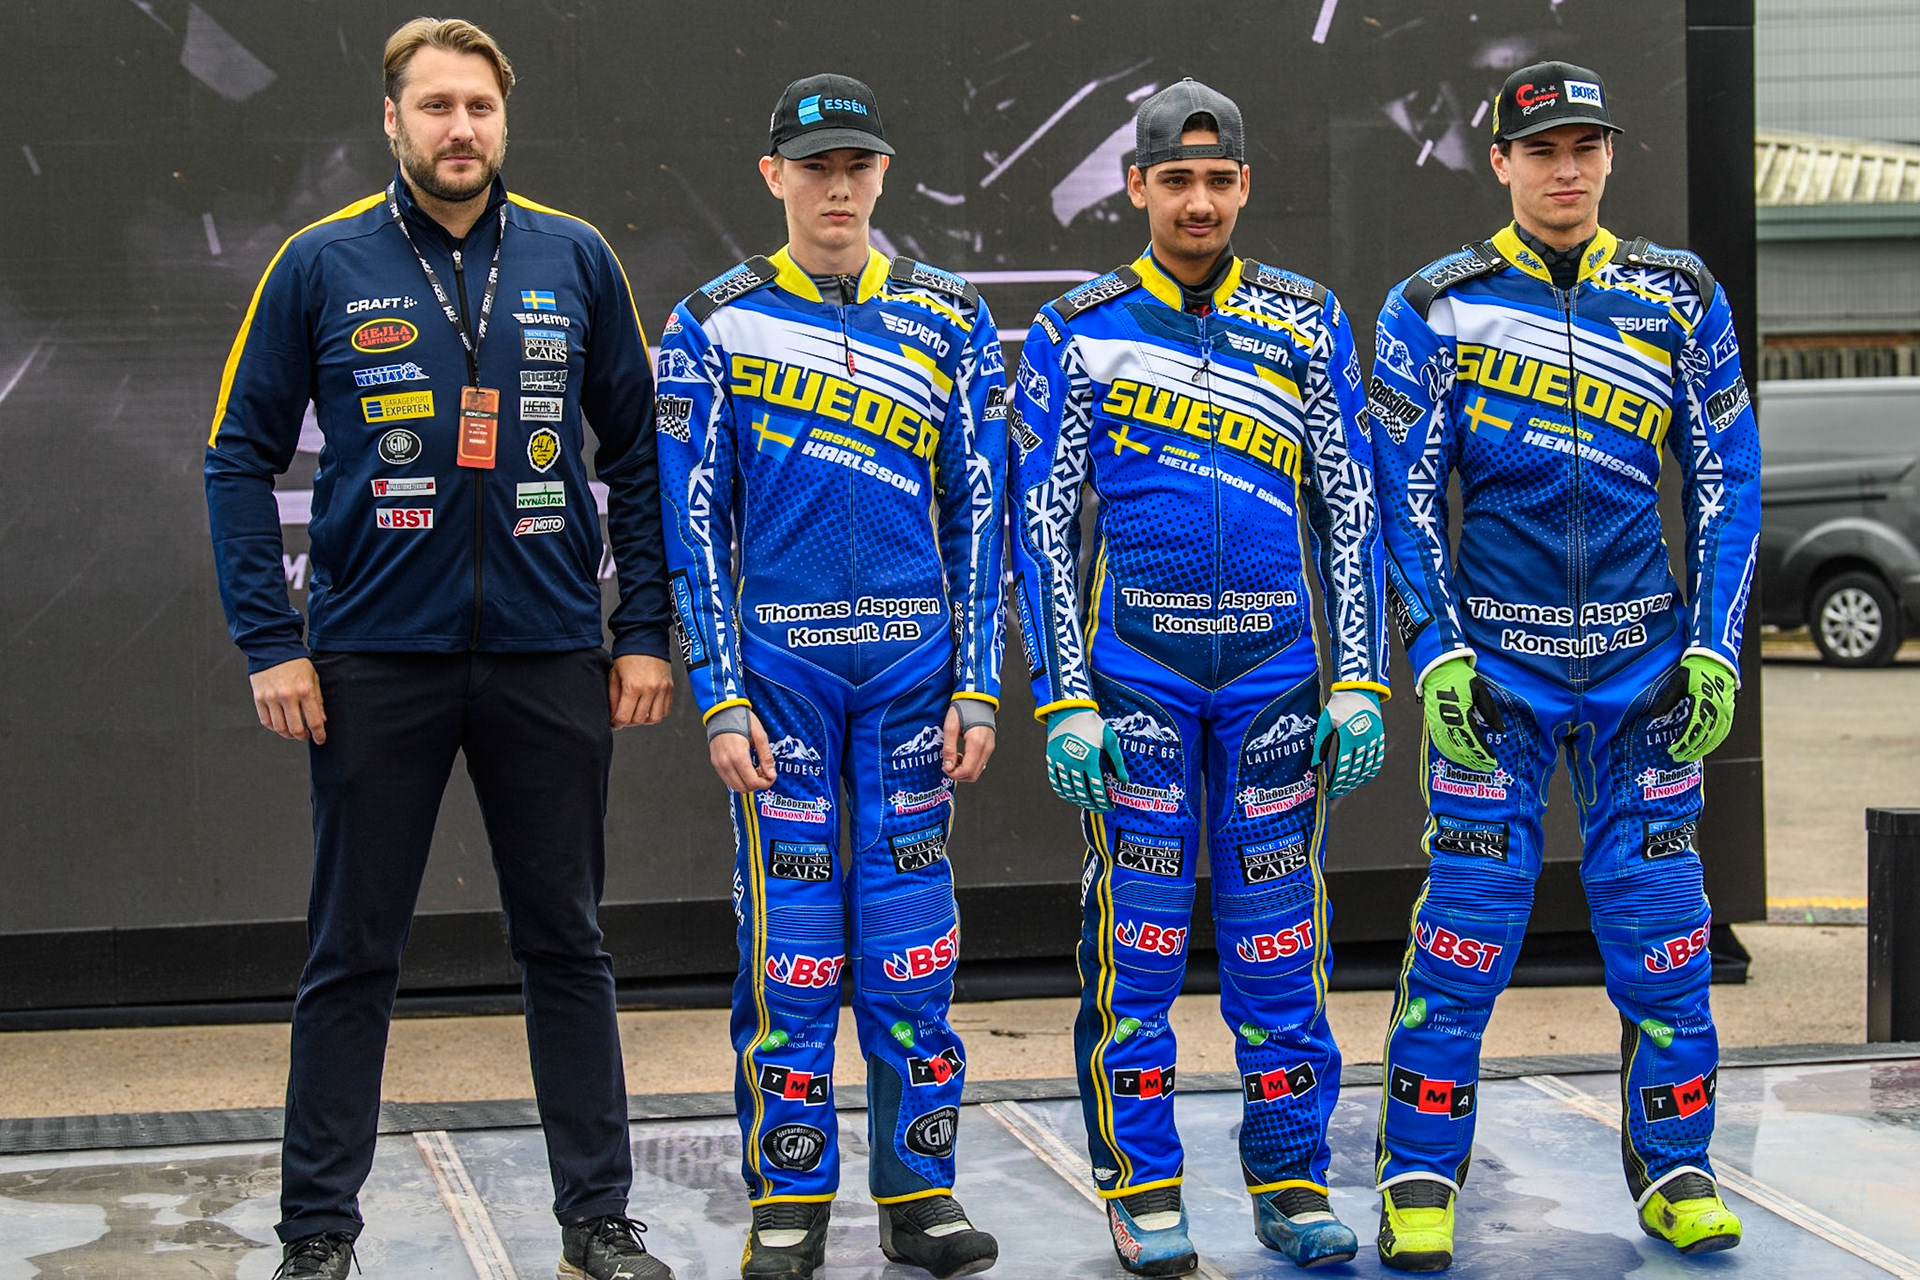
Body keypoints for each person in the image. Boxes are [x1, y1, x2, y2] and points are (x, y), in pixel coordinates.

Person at [204, 18, 676, 1280]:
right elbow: (236, 456)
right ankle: (318, 1231)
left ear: (502, 122)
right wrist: (271, 638)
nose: (459, 128)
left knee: (566, 940)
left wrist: (640, 633)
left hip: (547, 658)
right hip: (371, 659)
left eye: (479, 106)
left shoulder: (574, 258)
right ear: (392, 122)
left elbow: (637, 455)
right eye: (436, 106)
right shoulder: (320, 261)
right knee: (350, 949)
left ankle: (598, 1218)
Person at [1366, 61, 1762, 1270]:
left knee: (1665, 930)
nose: (1569, 167)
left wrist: (1713, 646)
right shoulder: (1434, 305)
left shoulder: (1678, 295)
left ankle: (1680, 1163)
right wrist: (1433, 649)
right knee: (1467, 931)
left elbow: (1731, 480)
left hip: (1645, 673)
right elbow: (1399, 495)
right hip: (1498, 675)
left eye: (1587, 144)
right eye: (1542, 149)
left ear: (1608, 155)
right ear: (1499, 161)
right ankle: (1421, 1171)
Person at [1008, 79, 1389, 1275]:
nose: (1200, 198)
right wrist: (1063, 696)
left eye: (1220, 179)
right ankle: (1146, 1186)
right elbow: (1043, 527)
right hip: (1138, 686)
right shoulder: (1079, 325)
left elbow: (1352, 507)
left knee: (1283, 951)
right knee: (1141, 954)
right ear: (1136, 187)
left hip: (1279, 678)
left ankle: (1289, 1181)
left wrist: (1361, 678)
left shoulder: (1308, 318)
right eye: (1176, 178)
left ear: (1245, 186)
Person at [654, 74, 1007, 1280]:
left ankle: (924, 1194)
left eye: (858, 163)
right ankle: (787, 1202)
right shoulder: (711, 319)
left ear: (884, 174)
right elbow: (688, 523)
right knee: (793, 951)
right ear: (774, 178)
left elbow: (982, 514)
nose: (839, 186)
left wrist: (977, 682)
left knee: (914, 948)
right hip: (783, 680)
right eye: (814, 167)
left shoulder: (952, 320)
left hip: (914, 676)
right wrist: (719, 689)